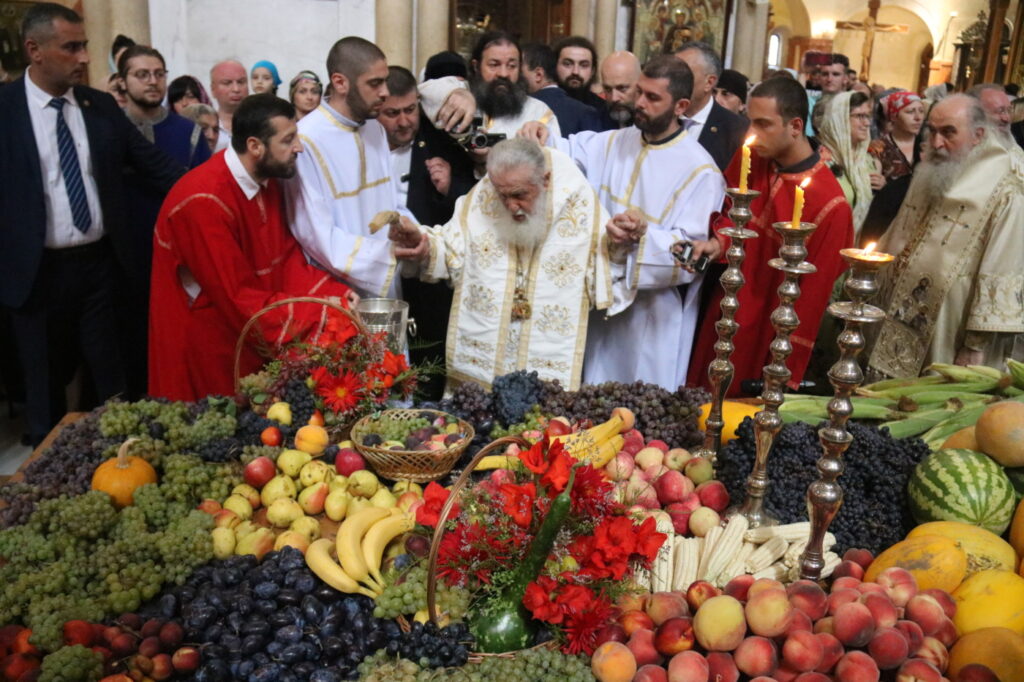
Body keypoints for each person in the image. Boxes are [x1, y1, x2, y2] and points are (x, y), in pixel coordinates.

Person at [0, 3, 183, 445]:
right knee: (42, 383)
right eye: (72, 47)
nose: (85, 57)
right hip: (34, 272)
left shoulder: (98, 106)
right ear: (34, 50)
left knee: (110, 376)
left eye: (83, 45)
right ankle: (46, 476)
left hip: (101, 267)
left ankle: (119, 460)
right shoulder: (4, 110)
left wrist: (221, 181)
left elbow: (155, 167)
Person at [521, 56, 726, 390]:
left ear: (681, 106)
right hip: (601, 305)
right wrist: (540, 134)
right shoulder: (615, 141)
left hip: (651, 318)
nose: (639, 104)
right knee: (591, 395)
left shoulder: (701, 172)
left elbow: (693, 257)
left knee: (640, 413)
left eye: (653, 98)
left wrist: (643, 237)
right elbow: (564, 153)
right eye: (640, 92)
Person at [149, 94, 358, 401]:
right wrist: (321, 313)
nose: (298, 147)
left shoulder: (266, 178)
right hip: (209, 342)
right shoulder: (204, 200)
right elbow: (237, 296)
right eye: (288, 140)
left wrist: (336, 295)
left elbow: (284, 260)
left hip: (246, 329)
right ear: (255, 146)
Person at [387, 138, 621, 391]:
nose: (510, 206)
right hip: (482, 370)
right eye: (502, 195)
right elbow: (452, 248)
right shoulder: (485, 194)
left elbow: (606, 267)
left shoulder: (578, 202)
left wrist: (622, 244)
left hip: (547, 364)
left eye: (520, 195)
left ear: (546, 180)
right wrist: (424, 245)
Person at [686, 77, 854, 396]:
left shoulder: (832, 206)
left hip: (767, 327)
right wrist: (716, 243)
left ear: (794, 126)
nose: (752, 134)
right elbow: (728, 212)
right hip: (724, 306)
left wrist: (785, 372)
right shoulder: (752, 159)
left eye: (763, 124)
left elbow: (812, 300)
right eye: (750, 122)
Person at [866, 95, 1024, 378]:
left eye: (949, 132)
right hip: (898, 313)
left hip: (950, 327)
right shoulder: (932, 170)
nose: (937, 143)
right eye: (933, 131)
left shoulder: (1006, 191)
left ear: (978, 135)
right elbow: (898, 233)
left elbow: (1001, 270)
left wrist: (976, 346)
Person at [119, 45, 212, 396]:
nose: (153, 82)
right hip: (127, 246)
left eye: (159, 73)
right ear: (123, 80)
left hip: (177, 250)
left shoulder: (187, 131)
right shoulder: (112, 129)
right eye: (142, 74)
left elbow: (203, 190)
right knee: (129, 336)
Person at [379, 66, 476, 398]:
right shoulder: (363, 148)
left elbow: (474, 197)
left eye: (410, 110)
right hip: (378, 276)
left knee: (428, 370)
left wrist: (450, 186)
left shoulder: (439, 145)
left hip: (427, 284)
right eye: (392, 113)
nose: (405, 121)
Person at [674, 41, 747, 171]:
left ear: (709, 82)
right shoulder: (659, 117)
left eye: (683, 74)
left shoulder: (737, 131)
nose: (673, 80)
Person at [817, 91, 881, 237]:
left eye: (868, 116)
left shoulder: (868, 161)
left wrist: (883, 190)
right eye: (860, 116)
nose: (867, 123)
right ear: (840, 119)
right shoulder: (821, 161)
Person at [521, 43, 600, 135]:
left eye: (519, 72)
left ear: (539, 75)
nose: (575, 72)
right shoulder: (586, 112)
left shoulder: (523, 107)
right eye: (567, 64)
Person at [869, 91, 923, 182]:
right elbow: (874, 182)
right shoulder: (879, 147)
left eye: (921, 111)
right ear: (894, 116)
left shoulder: (927, 143)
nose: (918, 117)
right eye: (910, 112)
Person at [553, 36, 604, 111]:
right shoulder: (540, 104)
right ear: (555, 66)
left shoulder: (602, 109)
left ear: (593, 71)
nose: (575, 72)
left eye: (584, 65)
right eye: (567, 64)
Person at [210, 59, 248, 151]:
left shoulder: (261, 124)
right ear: (213, 89)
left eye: (241, 82)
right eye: (227, 83)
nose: (236, 89)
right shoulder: (204, 128)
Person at [599, 51, 642, 128]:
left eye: (622, 88)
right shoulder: (593, 124)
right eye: (608, 89)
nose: (614, 98)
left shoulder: (654, 124)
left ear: (640, 85)